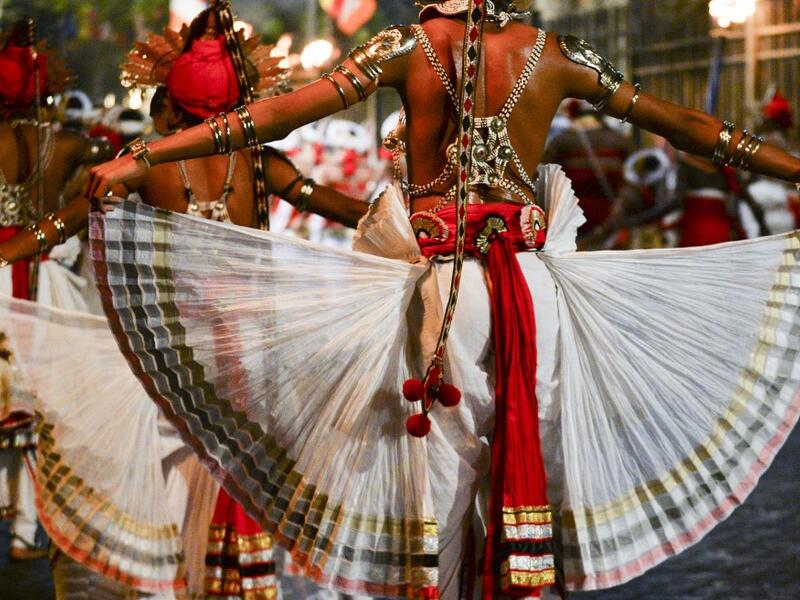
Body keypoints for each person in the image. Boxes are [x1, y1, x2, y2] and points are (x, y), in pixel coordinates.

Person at [6, 1, 800, 598]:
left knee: (442, 485)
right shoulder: (552, 52)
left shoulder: (410, 47)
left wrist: (150, 149)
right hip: (537, 289)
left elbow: (271, 116)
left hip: (446, 290)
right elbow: (696, 127)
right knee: (531, 465)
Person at [0, 9, 366, 599]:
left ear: (171, 102)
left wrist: (10, 249)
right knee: (239, 473)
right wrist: (414, 223)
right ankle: (227, 579)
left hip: (169, 352)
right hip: (248, 350)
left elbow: (62, 224)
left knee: (173, 470)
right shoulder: (256, 163)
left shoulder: (147, 163)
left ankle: (178, 581)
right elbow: (338, 207)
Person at [0, 20, 112, 563]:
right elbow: (101, 158)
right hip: (39, 271)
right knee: (36, 403)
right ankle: (27, 529)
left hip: (11, 263)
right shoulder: (64, 142)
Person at [542, 99, 633, 244]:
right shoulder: (619, 140)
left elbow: (547, 180)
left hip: (572, 217)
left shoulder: (561, 142)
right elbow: (631, 182)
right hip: (612, 216)